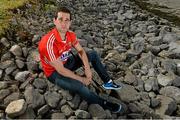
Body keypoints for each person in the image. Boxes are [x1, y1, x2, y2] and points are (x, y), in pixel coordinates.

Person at [38, 6, 122, 113]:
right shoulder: (48, 43)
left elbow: (81, 51)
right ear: (54, 21)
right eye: (60, 19)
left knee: (92, 54)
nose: (63, 23)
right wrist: (82, 79)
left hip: (66, 62)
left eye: (67, 20)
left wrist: (87, 69)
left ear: (70, 22)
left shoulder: (70, 35)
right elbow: (61, 70)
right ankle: (104, 103)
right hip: (54, 72)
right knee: (80, 86)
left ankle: (107, 81)